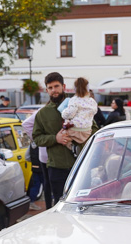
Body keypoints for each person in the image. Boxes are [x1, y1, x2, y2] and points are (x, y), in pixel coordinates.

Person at [33, 72, 76, 208]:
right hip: (56, 166)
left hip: (79, 164)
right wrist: (55, 138)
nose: (54, 90)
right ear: (46, 90)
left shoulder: (76, 106)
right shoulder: (42, 113)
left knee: (79, 204)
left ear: (63, 86)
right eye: (50, 88)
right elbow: (37, 138)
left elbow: (92, 129)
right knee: (60, 204)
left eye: (56, 86)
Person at [22, 107, 52, 210]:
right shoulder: (40, 139)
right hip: (41, 164)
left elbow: (27, 156)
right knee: (45, 184)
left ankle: (33, 201)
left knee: (38, 184)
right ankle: (36, 202)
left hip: (35, 166)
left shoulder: (34, 140)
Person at [57, 77, 98, 150]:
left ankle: (73, 147)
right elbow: (95, 111)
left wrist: (63, 112)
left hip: (74, 130)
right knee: (84, 141)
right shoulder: (92, 101)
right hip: (87, 130)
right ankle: (79, 148)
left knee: (63, 136)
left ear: (75, 88)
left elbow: (70, 114)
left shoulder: (74, 100)